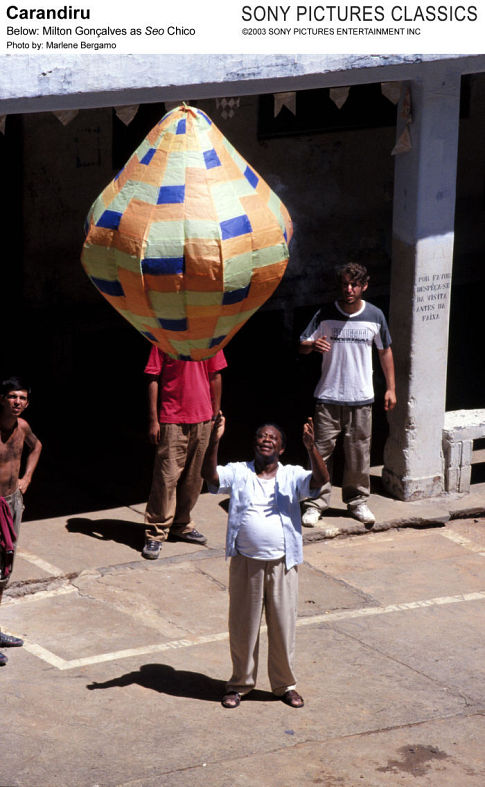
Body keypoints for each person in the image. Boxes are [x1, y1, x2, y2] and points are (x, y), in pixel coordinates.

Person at [202, 411, 329, 709]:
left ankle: (285, 685)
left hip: (283, 564)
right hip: (246, 562)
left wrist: (312, 448)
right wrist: (213, 442)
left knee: (283, 628)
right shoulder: (239, 471)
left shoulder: (292, 474)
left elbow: (321, 481)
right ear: (255, 445)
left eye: (273, 437)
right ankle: (239, 684)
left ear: (282, 449)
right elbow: (210, 477)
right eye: (262, 436)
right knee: (243, 627)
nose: (266, 439)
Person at [299, 261, 396, 527]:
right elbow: (302, 344)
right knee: (320, 453)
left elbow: (385, 351)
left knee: (358, 454)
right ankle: (315, 503)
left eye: (354, 284)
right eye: (345, 284)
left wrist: (391, 388)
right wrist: (311, 344)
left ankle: (357, 502)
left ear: (364, 286)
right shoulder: (325, 314)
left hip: (361, 399)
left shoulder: (374, 316)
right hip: (328, 396)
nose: (349, 289)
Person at [142, 346, 227, 559]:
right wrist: (154, 419)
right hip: (172, 418)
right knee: (166, 478)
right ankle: (156, 531)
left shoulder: (209, 338)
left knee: (195, 477)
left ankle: (182, 523)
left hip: (203, 418)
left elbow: (215, 375)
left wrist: (215, 412)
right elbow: (153, 378)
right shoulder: (163, 338)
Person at [0, 376, 42, 666]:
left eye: (22, 398)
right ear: (2, 398)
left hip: (13, 502)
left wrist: (26, 478)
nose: (17, 402)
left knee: (4, 571)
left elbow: (37, 447)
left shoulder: (23, 427)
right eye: (13, 396)